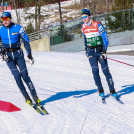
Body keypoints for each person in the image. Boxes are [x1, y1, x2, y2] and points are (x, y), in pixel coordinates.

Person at [0, 11, 41, 106]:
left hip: (18, 55)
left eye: (6, 19)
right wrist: (1, 51)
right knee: (17, 76)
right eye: (3, 19)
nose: (5, 21)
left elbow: (26, 41)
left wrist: (29, 55)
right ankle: (26, 96)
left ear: (10, 19)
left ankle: (35, 96)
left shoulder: (18, 28)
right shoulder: (1, 30)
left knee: (25, 76)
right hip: (8, 57)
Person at [81, 9, 117, 98]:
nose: (84, 19)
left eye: (85, 16)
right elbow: (85, 39)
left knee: (105, 71)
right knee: (95, 71)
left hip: (100, 51)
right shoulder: (83, 27)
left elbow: (105, 38)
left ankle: (112, 90)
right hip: (91, 52)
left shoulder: (97, 24)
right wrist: (86, 50)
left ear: (89, 16)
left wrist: (104, 52)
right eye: (82, 17)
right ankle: (100, 90)